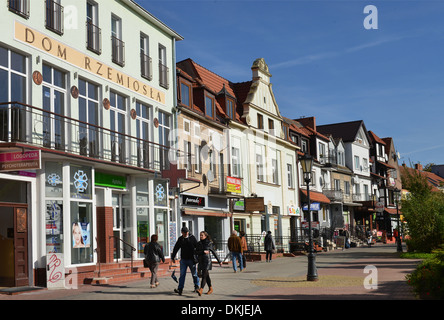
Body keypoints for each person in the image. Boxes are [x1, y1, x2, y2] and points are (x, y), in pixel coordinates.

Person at [171, 226, 200, 295]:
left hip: (191, 260)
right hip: (183, 260)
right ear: (182, 233)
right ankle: (180, 289)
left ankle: (196, 286)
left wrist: (198, 256)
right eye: (184, 233)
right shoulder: (180, 239)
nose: (185, 234)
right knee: (182, 275)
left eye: (186, 233)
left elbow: (197, 247)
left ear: (187, 232)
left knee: (194, 274)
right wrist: (173, 256)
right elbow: (176, 247)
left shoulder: (192, 238)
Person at [196, 231, 222, 296]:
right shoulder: (199, 243)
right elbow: (196, 252)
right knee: (206, 276)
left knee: (204, 275)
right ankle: (210, 288)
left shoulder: (209, 243)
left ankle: (201, 289)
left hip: (207, 261)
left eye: (202, 235)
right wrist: (203, 252)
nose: (201, 236)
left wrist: (219, 261)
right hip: (201, 261)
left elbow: (214, 252)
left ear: (205, 236)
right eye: (200, 235)